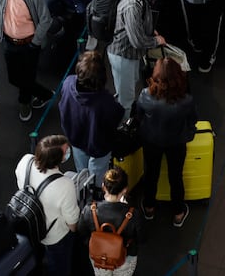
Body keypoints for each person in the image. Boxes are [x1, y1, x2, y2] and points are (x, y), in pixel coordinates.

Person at [136, 58, 197, 228]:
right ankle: (178, 213)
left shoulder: (145, 95)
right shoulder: (186, 100)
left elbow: (138, 116)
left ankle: (149, 208)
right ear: (178, 76)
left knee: (151, 174)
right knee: (176, 176)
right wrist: (188, 134)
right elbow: (193, 120)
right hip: (176, 143)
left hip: (151, 141)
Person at [107, 0, 168, 116]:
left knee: (130, 83)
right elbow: (138, 41)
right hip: (123, 54)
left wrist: (148, 28)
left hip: (130, 54)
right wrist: (157, 41)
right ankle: (122, 126)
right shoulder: (132, 5)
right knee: (126, 100)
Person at [15, 135, 80, 276]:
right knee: (59, 266)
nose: (68, 151)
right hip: (54, 236)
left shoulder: (25, 161)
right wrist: (74, 232)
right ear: (57, 159)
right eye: (66, 151)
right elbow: (72, 222)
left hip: (29, 224)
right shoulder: (64, 184)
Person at [58, 51, 124, 186]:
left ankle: (83, 191)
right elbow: (116, 116)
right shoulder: (105, 101)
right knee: (97, 176)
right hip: (99, 147)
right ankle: (95, 198)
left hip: (76, 140)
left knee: (81, 173)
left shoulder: (68, 83)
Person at [77, 167, 143, 276]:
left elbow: (82, 234)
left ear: (103, 186)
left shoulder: (90, 210)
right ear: (125, 189)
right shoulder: (133, 214)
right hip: (125, 257)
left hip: (99, 257)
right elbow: (142, 238)